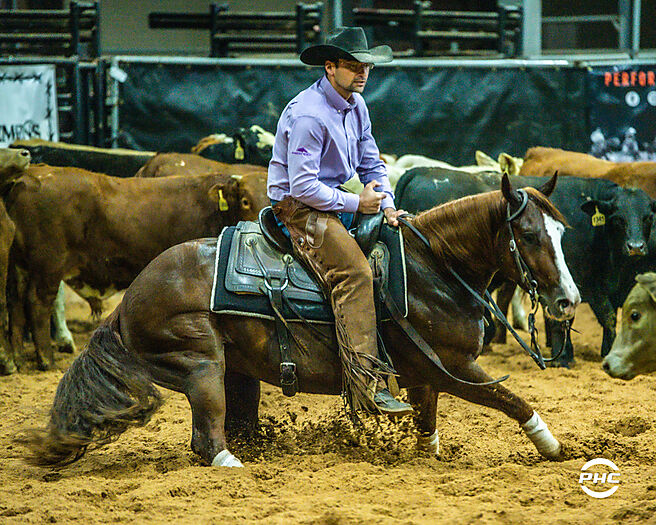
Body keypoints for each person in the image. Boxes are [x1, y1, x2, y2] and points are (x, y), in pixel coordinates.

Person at [267, 27, 413, 417]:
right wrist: (357, 202)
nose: (362, 73)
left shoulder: (356, 104)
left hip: (338, 198)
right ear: (330, 67)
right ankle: (366, 383)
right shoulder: (309, 115)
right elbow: (301, 186)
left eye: (367, 66)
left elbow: (371, 163)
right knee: (355, 274)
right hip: (298, 209)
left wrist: (387, 204)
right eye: (353, 65)